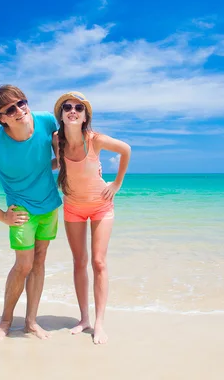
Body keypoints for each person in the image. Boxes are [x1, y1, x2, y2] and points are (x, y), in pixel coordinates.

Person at [0, 84, 61, 341]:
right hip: (21, 211)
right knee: (24, 265)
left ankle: (31, 322)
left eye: (22, 103)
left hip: (50, 205)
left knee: (39, 261)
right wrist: (2, 216)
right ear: (1, 118)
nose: (20, 110)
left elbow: (57, 155)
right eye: (11, 109)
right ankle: (5, 321)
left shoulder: (46, 121)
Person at [52, 91, 131, 344]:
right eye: (67, 107)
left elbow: (126, 149)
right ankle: (84, 318)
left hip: (101, 206)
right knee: (79, 261)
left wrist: (116, 184)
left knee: (98, 262)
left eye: (78, 107)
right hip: (72, 207)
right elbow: (59, 163)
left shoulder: (94, 140)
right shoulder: (57, 139)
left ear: (85, 116)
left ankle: (99, 323)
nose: (72, 110)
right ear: (61, 115)